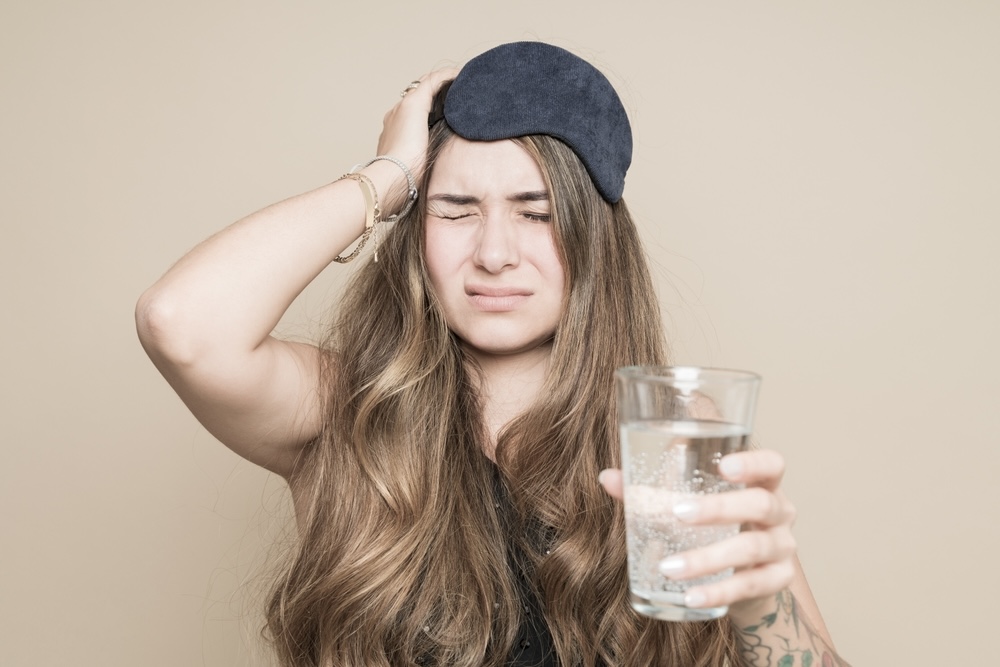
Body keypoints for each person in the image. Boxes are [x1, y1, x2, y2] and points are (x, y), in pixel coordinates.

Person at [136, 41, 849, 667]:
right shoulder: (340, 409)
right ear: (414, 229)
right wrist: (389, 175)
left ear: (593, 243)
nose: (495, 254)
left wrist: (761, 602)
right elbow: (180, 322)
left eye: (535, 213)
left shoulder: (673, 435)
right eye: (455, 209)